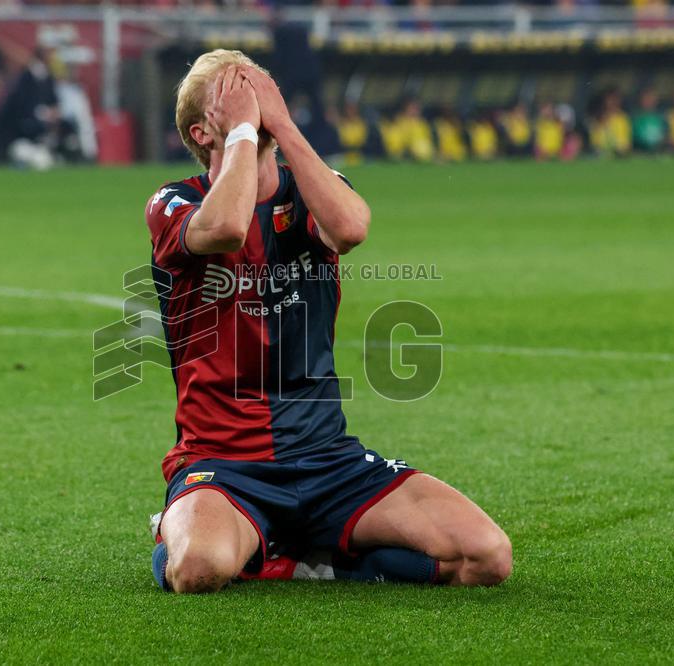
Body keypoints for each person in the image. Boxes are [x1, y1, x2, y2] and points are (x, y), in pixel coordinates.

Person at [145, 50, 512, 594]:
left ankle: (305, 560)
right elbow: (225, 228)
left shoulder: (312, 187)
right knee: (200, 569)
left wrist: (284, 125)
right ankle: (182, 530)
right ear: (202, 131)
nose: (256, 105)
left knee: (486, 557)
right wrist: (243, 131)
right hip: (224, 463)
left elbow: (350, 229)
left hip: (327, 459)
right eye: (238, 96)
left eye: (261, 93)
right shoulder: (173, 202)